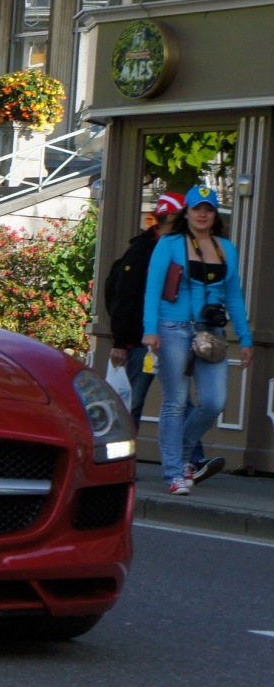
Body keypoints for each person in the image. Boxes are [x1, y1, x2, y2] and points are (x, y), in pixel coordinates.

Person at [142, 184, 254, 495]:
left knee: (214, 402)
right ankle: (174, 473)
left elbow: (234, 296)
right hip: (172, 327)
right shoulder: (170, 243)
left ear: (215, 214)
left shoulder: (225, 248)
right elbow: (152, 289)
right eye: (197, 208)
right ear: (187, 212)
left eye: (208, 208)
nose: (203, 213)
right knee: (175, 402)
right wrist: (149, 329)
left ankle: (182, 453)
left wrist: (245, 337)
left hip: (211, 333)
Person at [104, 191, 221, 480]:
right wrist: (121, 342)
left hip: (174, 335)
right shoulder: (142, 251)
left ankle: (191, 460)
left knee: (180, 400)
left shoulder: (184, 248)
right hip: (142, 341)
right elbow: (124, 298)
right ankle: (120, 464)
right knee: (133, 403)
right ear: (169, 219)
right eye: (183, 216)